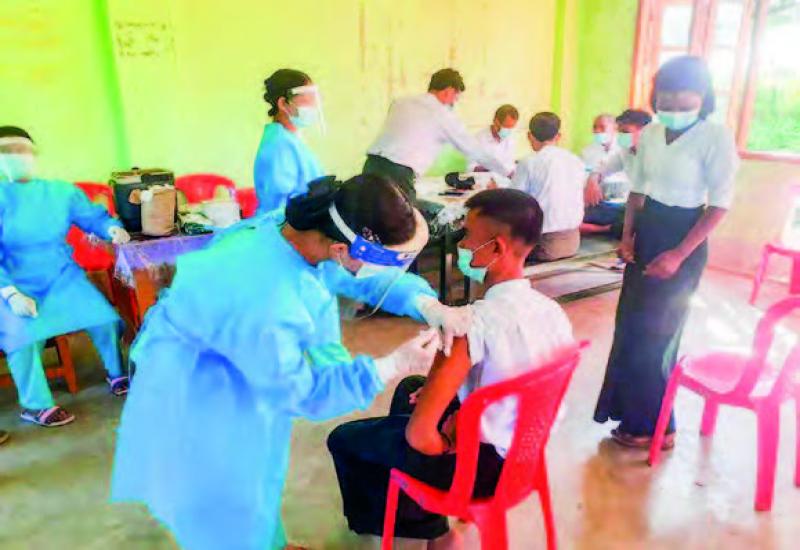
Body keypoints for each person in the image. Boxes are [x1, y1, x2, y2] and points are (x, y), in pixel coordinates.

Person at [111, 174, 475, 550]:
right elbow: (301, 393)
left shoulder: (301, 232)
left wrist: (423, 302)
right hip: (194, 391)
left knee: (259, 472)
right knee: (229, 493)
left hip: (229, 357)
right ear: (341, 249)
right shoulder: (268, 299)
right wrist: (390, 365)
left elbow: (365, 278)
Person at [327, 189, 573, 543]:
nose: (461, 245)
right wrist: (459, 411)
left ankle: (433, 531)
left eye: (467, 235)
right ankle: (417, 509)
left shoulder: (467, 325)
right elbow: (523, 382)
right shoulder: (552, 312)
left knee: (345, 439)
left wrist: (445, 441)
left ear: (496, 248)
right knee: (411, 389)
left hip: (476, 473)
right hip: (524, 457)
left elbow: (420, 437)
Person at [594, 56, 740, 449]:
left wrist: (678, 254)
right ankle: (632, 417)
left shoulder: (716, 137)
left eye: (683, 98)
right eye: (665, 99)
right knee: (630, 328)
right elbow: (637, 190)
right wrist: (627, 236)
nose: (673, 107)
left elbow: (719, 205)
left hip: (685, 236)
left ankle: (660, 428)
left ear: (703, 96)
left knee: (658, 336)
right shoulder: (652, 133)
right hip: (647, 231)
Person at [0, 126, 130, 428]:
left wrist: (111, 228)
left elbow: (92, 217)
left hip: (61, 277)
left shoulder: (61, 192)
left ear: (34, 154)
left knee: (105, 318)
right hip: (13, 282)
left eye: (22, 150)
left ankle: (117, 373)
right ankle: (35, 405)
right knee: (22, 337)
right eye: (7, 151)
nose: (17, 157)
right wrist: (10, 293)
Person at [364, 68, 511, 202]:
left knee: (369, 214)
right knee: (403, 220)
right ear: (449, 91)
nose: (454, 103)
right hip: (397, 174)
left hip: (371, 165)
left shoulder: (400, 102)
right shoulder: (441, 114)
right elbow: (474, 150)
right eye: (455, 97)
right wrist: (507, 172)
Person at [510, 112, 585, 261]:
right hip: (573, 242)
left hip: (544, 244)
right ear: (558, 136)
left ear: (529, 136)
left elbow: (515, 201)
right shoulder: (575, 160)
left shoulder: (528, 162)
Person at [253, 68, 324, 215]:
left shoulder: (291, 140)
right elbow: (281, 206)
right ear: (283, 103)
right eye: (307, 99)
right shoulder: (278, 145)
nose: (313, 105)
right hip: (284, 226)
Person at [584, 109, 653, 238]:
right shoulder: (625, 152)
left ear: (645, 132)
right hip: (627, 205)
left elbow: (641, 197)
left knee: (633, 220)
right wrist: (592, 181)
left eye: (626, 132)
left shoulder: (653, 156)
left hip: (649, 209)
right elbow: (601, 169)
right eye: (620, 132)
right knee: (587, 211)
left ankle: (605, 229)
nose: (621, 136)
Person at [468, 104, 519, 175]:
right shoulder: (479, 139)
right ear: (496, 121)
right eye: (506, 127)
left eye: (511, 128)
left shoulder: (510, 140)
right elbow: (470, 166)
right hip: (483, 179)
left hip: (503, 179)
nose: (508, 131)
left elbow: (510, 164)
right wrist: (485, 169)